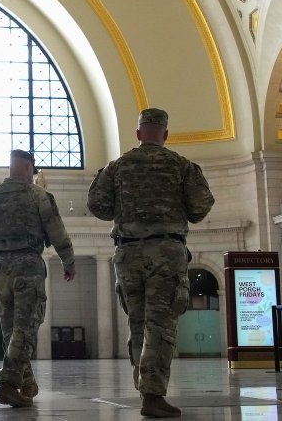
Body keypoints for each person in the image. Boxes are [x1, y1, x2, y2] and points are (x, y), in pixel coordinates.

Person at [87, 108, 215, 418]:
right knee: (161, 323)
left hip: (128, 253)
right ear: (166, 135)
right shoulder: (181, 166)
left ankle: (145, 388)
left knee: (138, 322)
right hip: (166, 252)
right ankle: (153, 394)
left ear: (138, 133)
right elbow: (200, 208)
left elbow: (98, 207)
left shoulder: (116, 167)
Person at [0, 150, 76, 408]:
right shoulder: (38, 195)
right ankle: (8, 385)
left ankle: (27, 382)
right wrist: (68, 261)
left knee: (11, 330)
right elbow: (57, 232)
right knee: (26, 327)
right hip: (27, 265)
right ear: (30, 168)